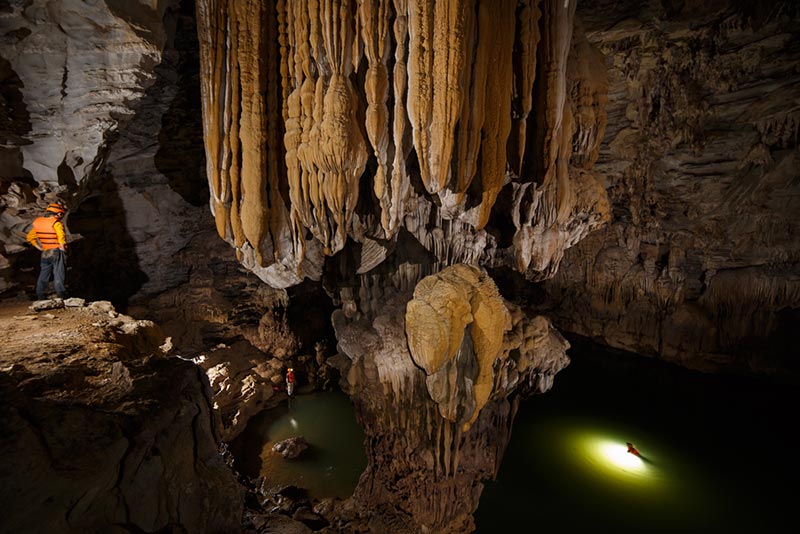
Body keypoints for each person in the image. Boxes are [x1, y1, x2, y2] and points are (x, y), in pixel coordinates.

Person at [26, 202, 69, 300]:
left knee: (44, 273)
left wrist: (39, 248)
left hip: (45, 251)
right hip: (56, 250)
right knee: (59, 272)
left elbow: (30, 237)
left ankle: (40, 294)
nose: (61, 216)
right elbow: (61, 237)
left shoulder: (38, 222)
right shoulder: (56, 223)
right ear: (58, 213)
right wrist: (63, 250)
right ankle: (61, 294)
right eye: (61, 214)